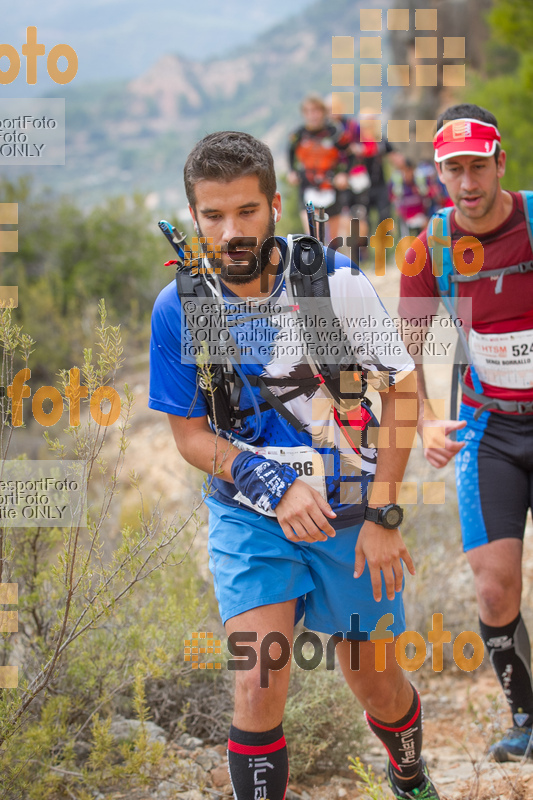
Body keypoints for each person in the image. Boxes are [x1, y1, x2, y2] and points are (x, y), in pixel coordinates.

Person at [149, 130, 441, 799]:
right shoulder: (183, 308)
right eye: (213, 215)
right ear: (193, 218)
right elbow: (190, 436)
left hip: (350, 513)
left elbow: (400, 390)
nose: (231, 231)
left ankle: (409, 772)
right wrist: (264, 480)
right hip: (249, 516)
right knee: (256, 682)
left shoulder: (332, 285)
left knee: (376, 681)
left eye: (246, 211)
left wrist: (384, 512)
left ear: (274, 205)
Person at [399, 103, 533, 762]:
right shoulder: (429, 247)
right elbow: (404, 344)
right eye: (453, 170)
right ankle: (526, 717)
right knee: (491, 585)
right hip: (491, 431)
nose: (467, 183)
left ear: (500, 163)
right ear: (440, 173)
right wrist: (424, 420)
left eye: (477, 167)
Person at [287, 93, 351, 239]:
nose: (312, 115)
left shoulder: (335, 132)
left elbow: (350, 154)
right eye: (308, 111)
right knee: (313, 235)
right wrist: (292, 171)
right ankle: (315, 260)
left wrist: (344, 174)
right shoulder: (298, 135)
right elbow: (290, 152)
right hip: (308, 186)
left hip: (332, 186)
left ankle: (333, 260)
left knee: (334, 240)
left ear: (323, 112)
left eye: (315, 111)